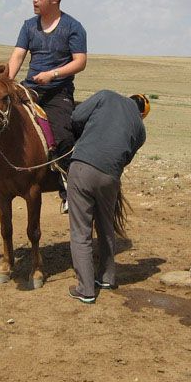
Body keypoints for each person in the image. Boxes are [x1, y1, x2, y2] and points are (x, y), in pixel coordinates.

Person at [0, 0, 87, 213]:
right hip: (30, 88)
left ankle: (67, 186)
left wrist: (53, 74)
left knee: (62, 133)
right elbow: (17, 56)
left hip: (58, 91)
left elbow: (80, 62)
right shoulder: (29, 26)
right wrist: (5, 82)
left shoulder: (73, 27)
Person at [67, 91, 149, 304]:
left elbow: (76, 116)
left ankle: (85, 289)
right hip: (111, 178)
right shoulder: (140, 129)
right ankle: (107, 278)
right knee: (106, 227)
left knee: (80, 231)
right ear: (141, 114)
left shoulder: (106, 96)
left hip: (82, 168)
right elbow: (126, 157)